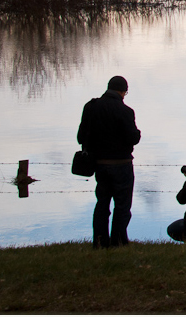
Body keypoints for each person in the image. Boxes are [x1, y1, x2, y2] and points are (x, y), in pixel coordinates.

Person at [77, 75, 141, 248]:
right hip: (121, 164)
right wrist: (138, 134)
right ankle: (118, 241)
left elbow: (80, 137)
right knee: (122, 205)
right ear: (123, 91)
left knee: (102, 204)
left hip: (99, 164)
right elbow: (132, 138)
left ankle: (99, 241)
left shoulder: (90, 107)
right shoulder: (126, 111)